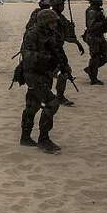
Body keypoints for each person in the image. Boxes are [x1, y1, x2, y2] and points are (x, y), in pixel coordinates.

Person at [18, 8, 64, 152]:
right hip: (33, 74)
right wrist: (47, 58)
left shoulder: (50, 34)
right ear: (44, 22)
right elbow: (28, 55)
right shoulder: (32, 34)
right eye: (51, 22)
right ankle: (43, 139)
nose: (54, 25)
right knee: (52, 103)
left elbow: (58, 51)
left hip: (44, 73)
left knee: (33, 105)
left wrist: (63, 65)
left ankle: (25, 137)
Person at [49, 0, 84, 107]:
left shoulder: (60, 17)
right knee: (62, 72)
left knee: (64, 71)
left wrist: (75, 39)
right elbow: (59, 35)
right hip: (51, 50)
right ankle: (58, 97)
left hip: (58, 49)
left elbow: (66, 36)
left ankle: (58, 95)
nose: (63, 6)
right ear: (56, 5)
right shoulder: (51, 17)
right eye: (61, 4)